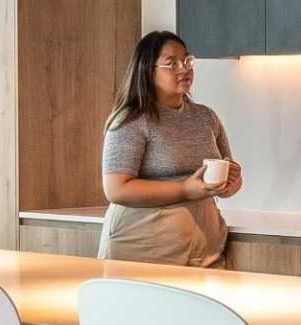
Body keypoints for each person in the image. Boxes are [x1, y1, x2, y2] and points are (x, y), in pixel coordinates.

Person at [97, 29, 241, 267]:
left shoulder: (206, 117)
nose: (184, 68)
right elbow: (116, 189)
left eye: (186, 60)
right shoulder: (131, 120)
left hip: (204, 252)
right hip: (142, 250)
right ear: (147, 71)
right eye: (171, 63)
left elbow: (226, 184)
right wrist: (185, 189)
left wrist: (231, 182)